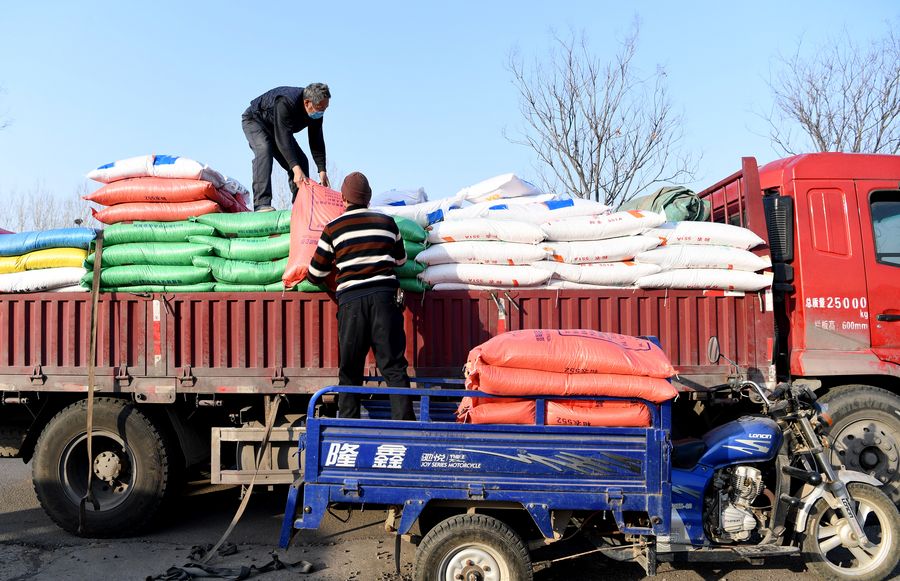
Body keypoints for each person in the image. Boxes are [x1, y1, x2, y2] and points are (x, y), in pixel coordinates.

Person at [306, 172, 416, 420]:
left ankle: (348, 424)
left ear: (343, 198)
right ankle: (405, 426)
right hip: (385, 300)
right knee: (394, 367)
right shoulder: (387, 223)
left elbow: (315, 273)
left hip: (351, 303)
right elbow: (401, 261)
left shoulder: (333, 228)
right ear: (368, 198)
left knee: (350, 369)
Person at [241, 83, 331, 212]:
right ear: (307, 103)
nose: (322, 112)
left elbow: (316, 140)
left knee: (301, 162)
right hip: (255, 120)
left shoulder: (317, 112)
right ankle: (261, 203)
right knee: (264, 150)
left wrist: (322, 170)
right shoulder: (286, 102)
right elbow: (283, 138)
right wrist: (295, 168)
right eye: (320, 108)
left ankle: (301, 207)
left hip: (277, 129)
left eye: (325, 108)